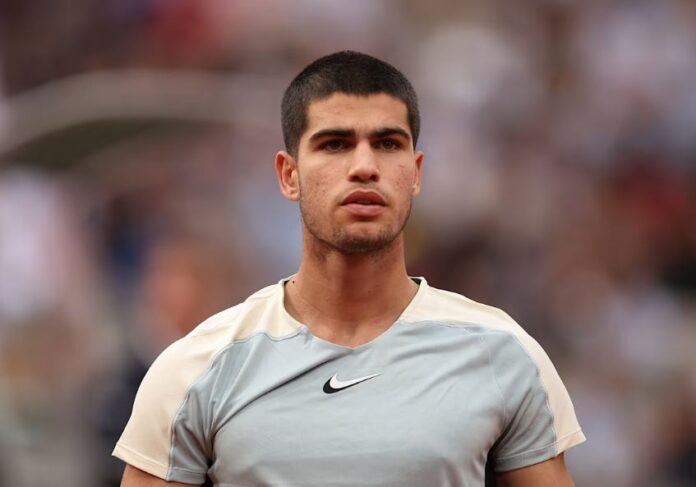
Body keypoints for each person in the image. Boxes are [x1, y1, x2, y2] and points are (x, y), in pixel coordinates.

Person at [114, 50, 585, 486]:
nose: (364, 166)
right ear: (289, 175)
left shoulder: (503, 356)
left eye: (388, 144)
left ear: (416, 172)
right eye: (335, 144)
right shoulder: (196, 369)